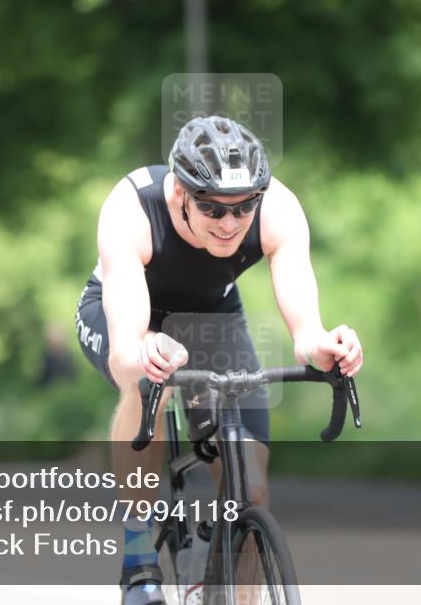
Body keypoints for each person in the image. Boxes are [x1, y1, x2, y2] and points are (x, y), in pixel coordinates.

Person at [75, 115, 363, 605]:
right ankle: (138, 545)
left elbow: (306, 331)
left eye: (243, 208)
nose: (230, 224)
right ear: (180, 193)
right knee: (148, 381)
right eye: (211, 208)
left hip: (213, 316)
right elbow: (126, 350)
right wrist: (148, 353)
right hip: (125, 314)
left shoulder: (278, 209)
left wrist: (325, 347)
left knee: (251, 489)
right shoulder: (132, 208)